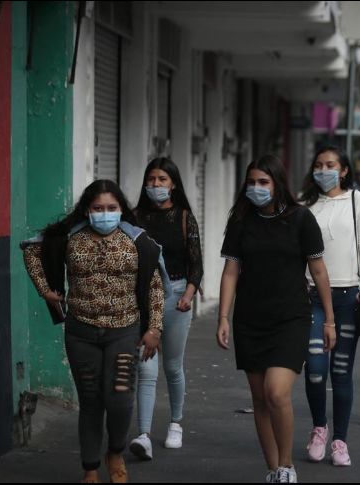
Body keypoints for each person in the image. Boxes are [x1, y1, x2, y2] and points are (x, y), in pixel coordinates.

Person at [21, 180, 169, 483]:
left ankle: (114, 451)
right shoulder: (70, 237)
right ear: (87, 210)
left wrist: (154, 328)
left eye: (111, 208)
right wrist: (45, 290)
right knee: (90, 400)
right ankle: (90, 467)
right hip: (81, 333)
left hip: (124, 331)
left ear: (121, 210)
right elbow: (32, 250)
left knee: (120, 399)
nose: (104, 214)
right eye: (97, 208)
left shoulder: (138, 241)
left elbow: (154, 286)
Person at [217, 155, 335, 484]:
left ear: (278, 184)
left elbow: (319, 269)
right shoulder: (241, 220)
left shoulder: (300, 219)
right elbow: (230, 272)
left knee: (276, 393)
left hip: (291, 319)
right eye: (252, 182)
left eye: (263, 182)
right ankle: (273, 470)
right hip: (250, 319)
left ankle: (286, 465)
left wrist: (329, 318)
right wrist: (223, 317)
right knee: (259, 399)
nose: (256, 188)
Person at [298, 145, 360, 468]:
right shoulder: (304, 205)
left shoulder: (357, 201)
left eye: (331, 164)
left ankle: (340, 441)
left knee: (341, 372)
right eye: (318, 164)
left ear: (344, 170)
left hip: (348, 298)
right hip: (311, 297)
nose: (323, 170)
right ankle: (319, 428)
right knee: (315, 371)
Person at [129, 157, 203, 460]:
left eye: (162, 179)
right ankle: (143, 434)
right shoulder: (133, 217)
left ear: (173, 184)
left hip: (176, 295)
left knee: (172, 365)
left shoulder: (184, 217)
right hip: (142, 298)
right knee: (145, 367)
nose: (156, 185)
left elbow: (196, 264)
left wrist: (188, 294)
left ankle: (175, 423)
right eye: (151, 179)